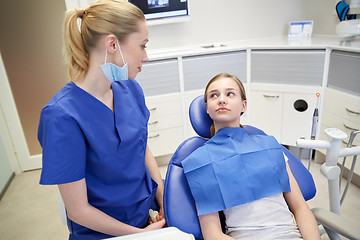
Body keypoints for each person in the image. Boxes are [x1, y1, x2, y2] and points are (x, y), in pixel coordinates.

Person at [37, 0, 166, 239]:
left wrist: (162, 195)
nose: (146, 57)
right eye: (142, 46)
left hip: (146, 217)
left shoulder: (130, 89)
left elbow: (140, 145)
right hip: (104, 232)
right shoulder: (62, 116)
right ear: (112, 43)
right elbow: (78, 210)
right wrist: (139, 235)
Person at [182, 73, 320, 240]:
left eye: (230, 93)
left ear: (243, 105)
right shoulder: (200, 162)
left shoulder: (269, 147)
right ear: (207, 109)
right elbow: (212, 234)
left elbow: (300, 208)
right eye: (214, 95)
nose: (221, 99)